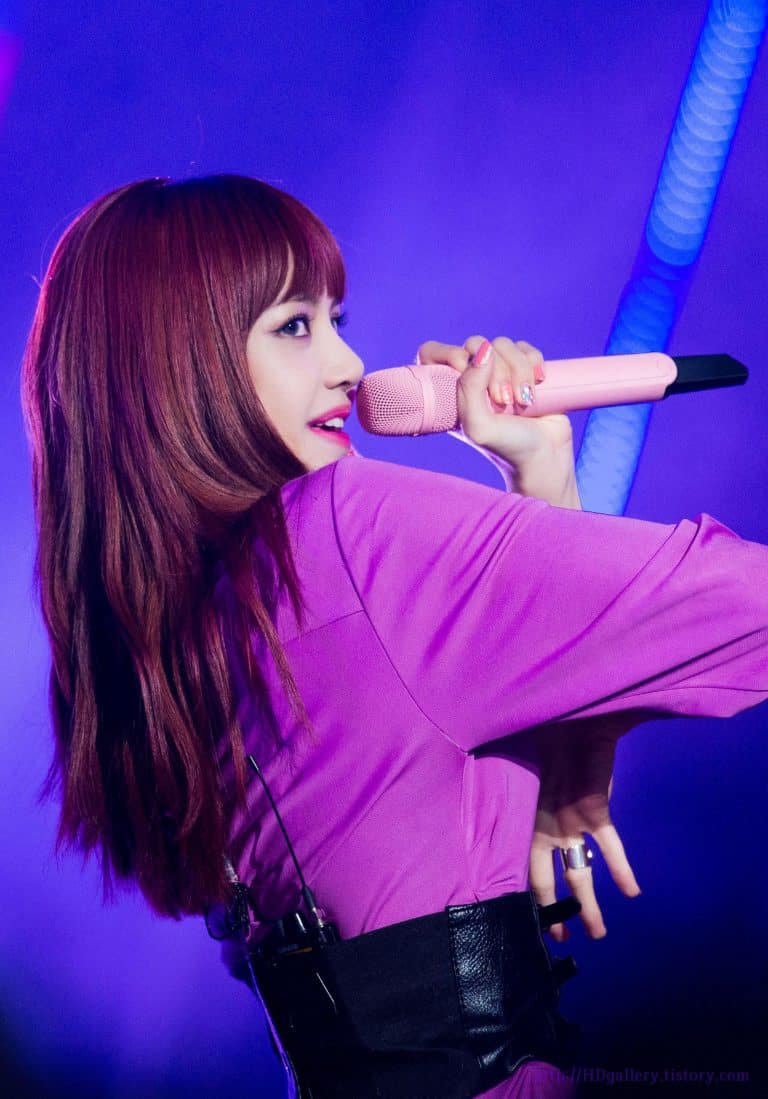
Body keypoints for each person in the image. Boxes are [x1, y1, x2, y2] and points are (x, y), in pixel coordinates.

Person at [20, 174, 768, 1099]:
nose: (349, 364)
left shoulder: (170, 646)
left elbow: (453, 839)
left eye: (336, 319)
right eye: (295, 326)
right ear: (176, 365)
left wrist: (541, 472)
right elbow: (742, 604)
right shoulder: (345, 528)